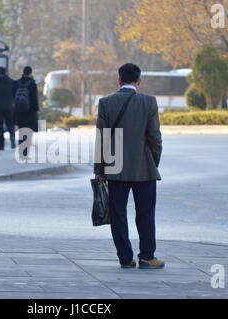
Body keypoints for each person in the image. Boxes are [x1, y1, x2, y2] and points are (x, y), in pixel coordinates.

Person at [94, 63, 164, 270]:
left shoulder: (106, 102)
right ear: (139, 81)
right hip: (144, 169)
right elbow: (155, 138)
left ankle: (125, 258)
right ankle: (147, 257)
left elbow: (102, 138)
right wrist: (153, 161)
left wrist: (100, 169)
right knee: (146, 214)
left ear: (119, 80)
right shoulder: (149, 102)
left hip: (115, 168)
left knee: (118, 214)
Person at [13, 66, 39, 157]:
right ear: (31, 73)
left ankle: (21, 152)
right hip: (30, 112)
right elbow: (34, 99)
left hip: (19, 112)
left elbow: (13, 98)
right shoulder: (32, 84)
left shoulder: (16, 83)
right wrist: (36, 110)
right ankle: (25, 153)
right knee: (28, 132)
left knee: (21, 131)